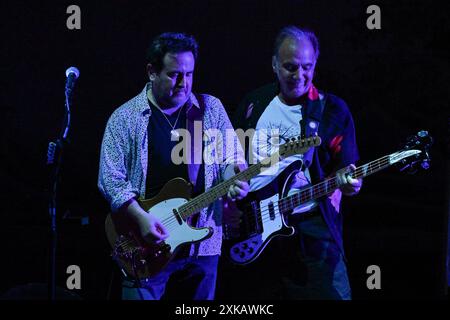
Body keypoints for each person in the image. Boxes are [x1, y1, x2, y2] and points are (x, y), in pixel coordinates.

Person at [98, 32, 248, 300]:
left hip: (203, 245)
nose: (184, 83)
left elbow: (230, 158)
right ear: (151, 72)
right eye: (174, 74)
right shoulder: (125, 118)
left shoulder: (210, 108)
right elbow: (110, 179)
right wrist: (141, 218)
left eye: (189, 74)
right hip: (146, 244)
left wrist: (234, 175)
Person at [232, 26, 362, 300]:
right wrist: (231, 188)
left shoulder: (332, 110)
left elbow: (346, 166)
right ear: (274, 64)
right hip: (255, 229)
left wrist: (348, 182)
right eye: (290, 67)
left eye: (307, 67)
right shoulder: (253, 103)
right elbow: (232, 158)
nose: (299, 76)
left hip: (312, 231)